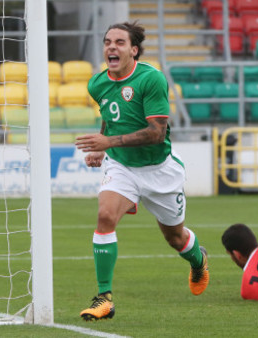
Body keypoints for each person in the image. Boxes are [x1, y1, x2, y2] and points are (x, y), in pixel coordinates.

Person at [74, 21, 209, 321]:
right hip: (122, 165)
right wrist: (102, 147)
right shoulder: (97, 84)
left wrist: (106, 141)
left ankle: (199, 261)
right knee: (105, 216)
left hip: (160, 170)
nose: (112, 46)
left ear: (134, 50)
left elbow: (157, 132)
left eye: (120, 42)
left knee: (175, 238)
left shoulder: (151, 79)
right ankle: (104, 298)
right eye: (108, 41)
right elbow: (110, 116)